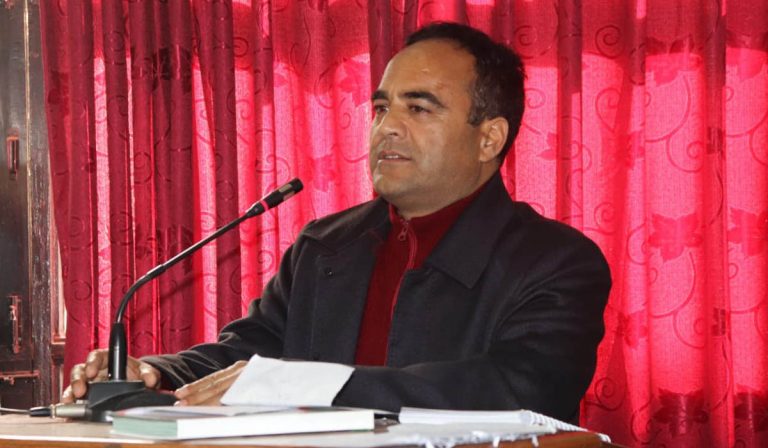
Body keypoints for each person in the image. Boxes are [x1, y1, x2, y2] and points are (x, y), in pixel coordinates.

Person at [63, 22, 611, 422]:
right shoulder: (327, 245)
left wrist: (316, 385)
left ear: (489, 137)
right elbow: (250, 354)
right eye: (380, 108)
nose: (386, 128)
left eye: (419, 108)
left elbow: (520, 389)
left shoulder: (555, 261)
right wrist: (155, 372)